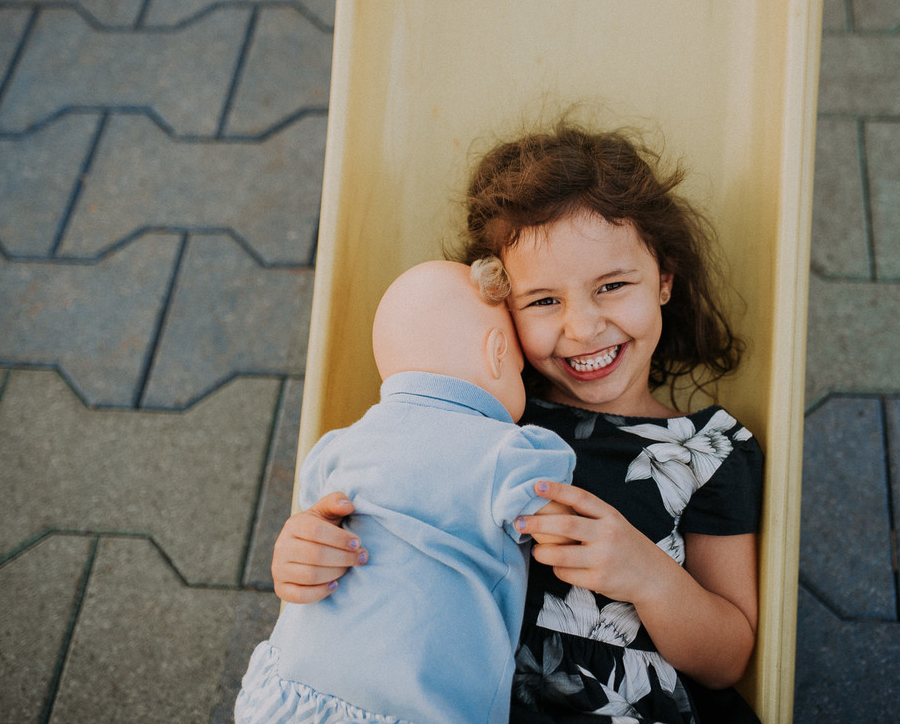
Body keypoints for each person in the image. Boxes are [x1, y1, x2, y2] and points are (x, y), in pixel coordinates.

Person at [272, 120, 765, 723]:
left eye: (613, 286)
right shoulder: (469, 422)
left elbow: (728, 657)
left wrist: (648, 576)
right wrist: (304, 551)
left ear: (664, 280)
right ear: (500, 319)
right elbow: (369, 516)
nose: (583, 327)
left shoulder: (706, 450)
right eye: (543, 301)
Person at [237, 259, 576, 724]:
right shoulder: (507, 452)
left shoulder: (338, 447)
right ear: (498, 352)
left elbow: (310, 523)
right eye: (520, 372)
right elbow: (562, 528)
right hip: (422, 706)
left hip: (292, 694)